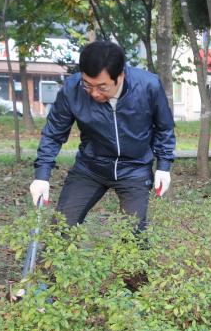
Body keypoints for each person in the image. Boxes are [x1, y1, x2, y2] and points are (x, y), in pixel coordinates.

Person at [29, 41, 176, 230]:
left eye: (102, 87)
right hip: (90, 167)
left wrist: (164, 166)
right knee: (61, 229)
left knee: (133, 236)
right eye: (87, 85)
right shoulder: (72, 89)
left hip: (135, 168)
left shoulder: (149, 86)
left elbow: (164, 127)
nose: (94, 93)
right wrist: (42, 176)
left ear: (120, 76)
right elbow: (53, 133)